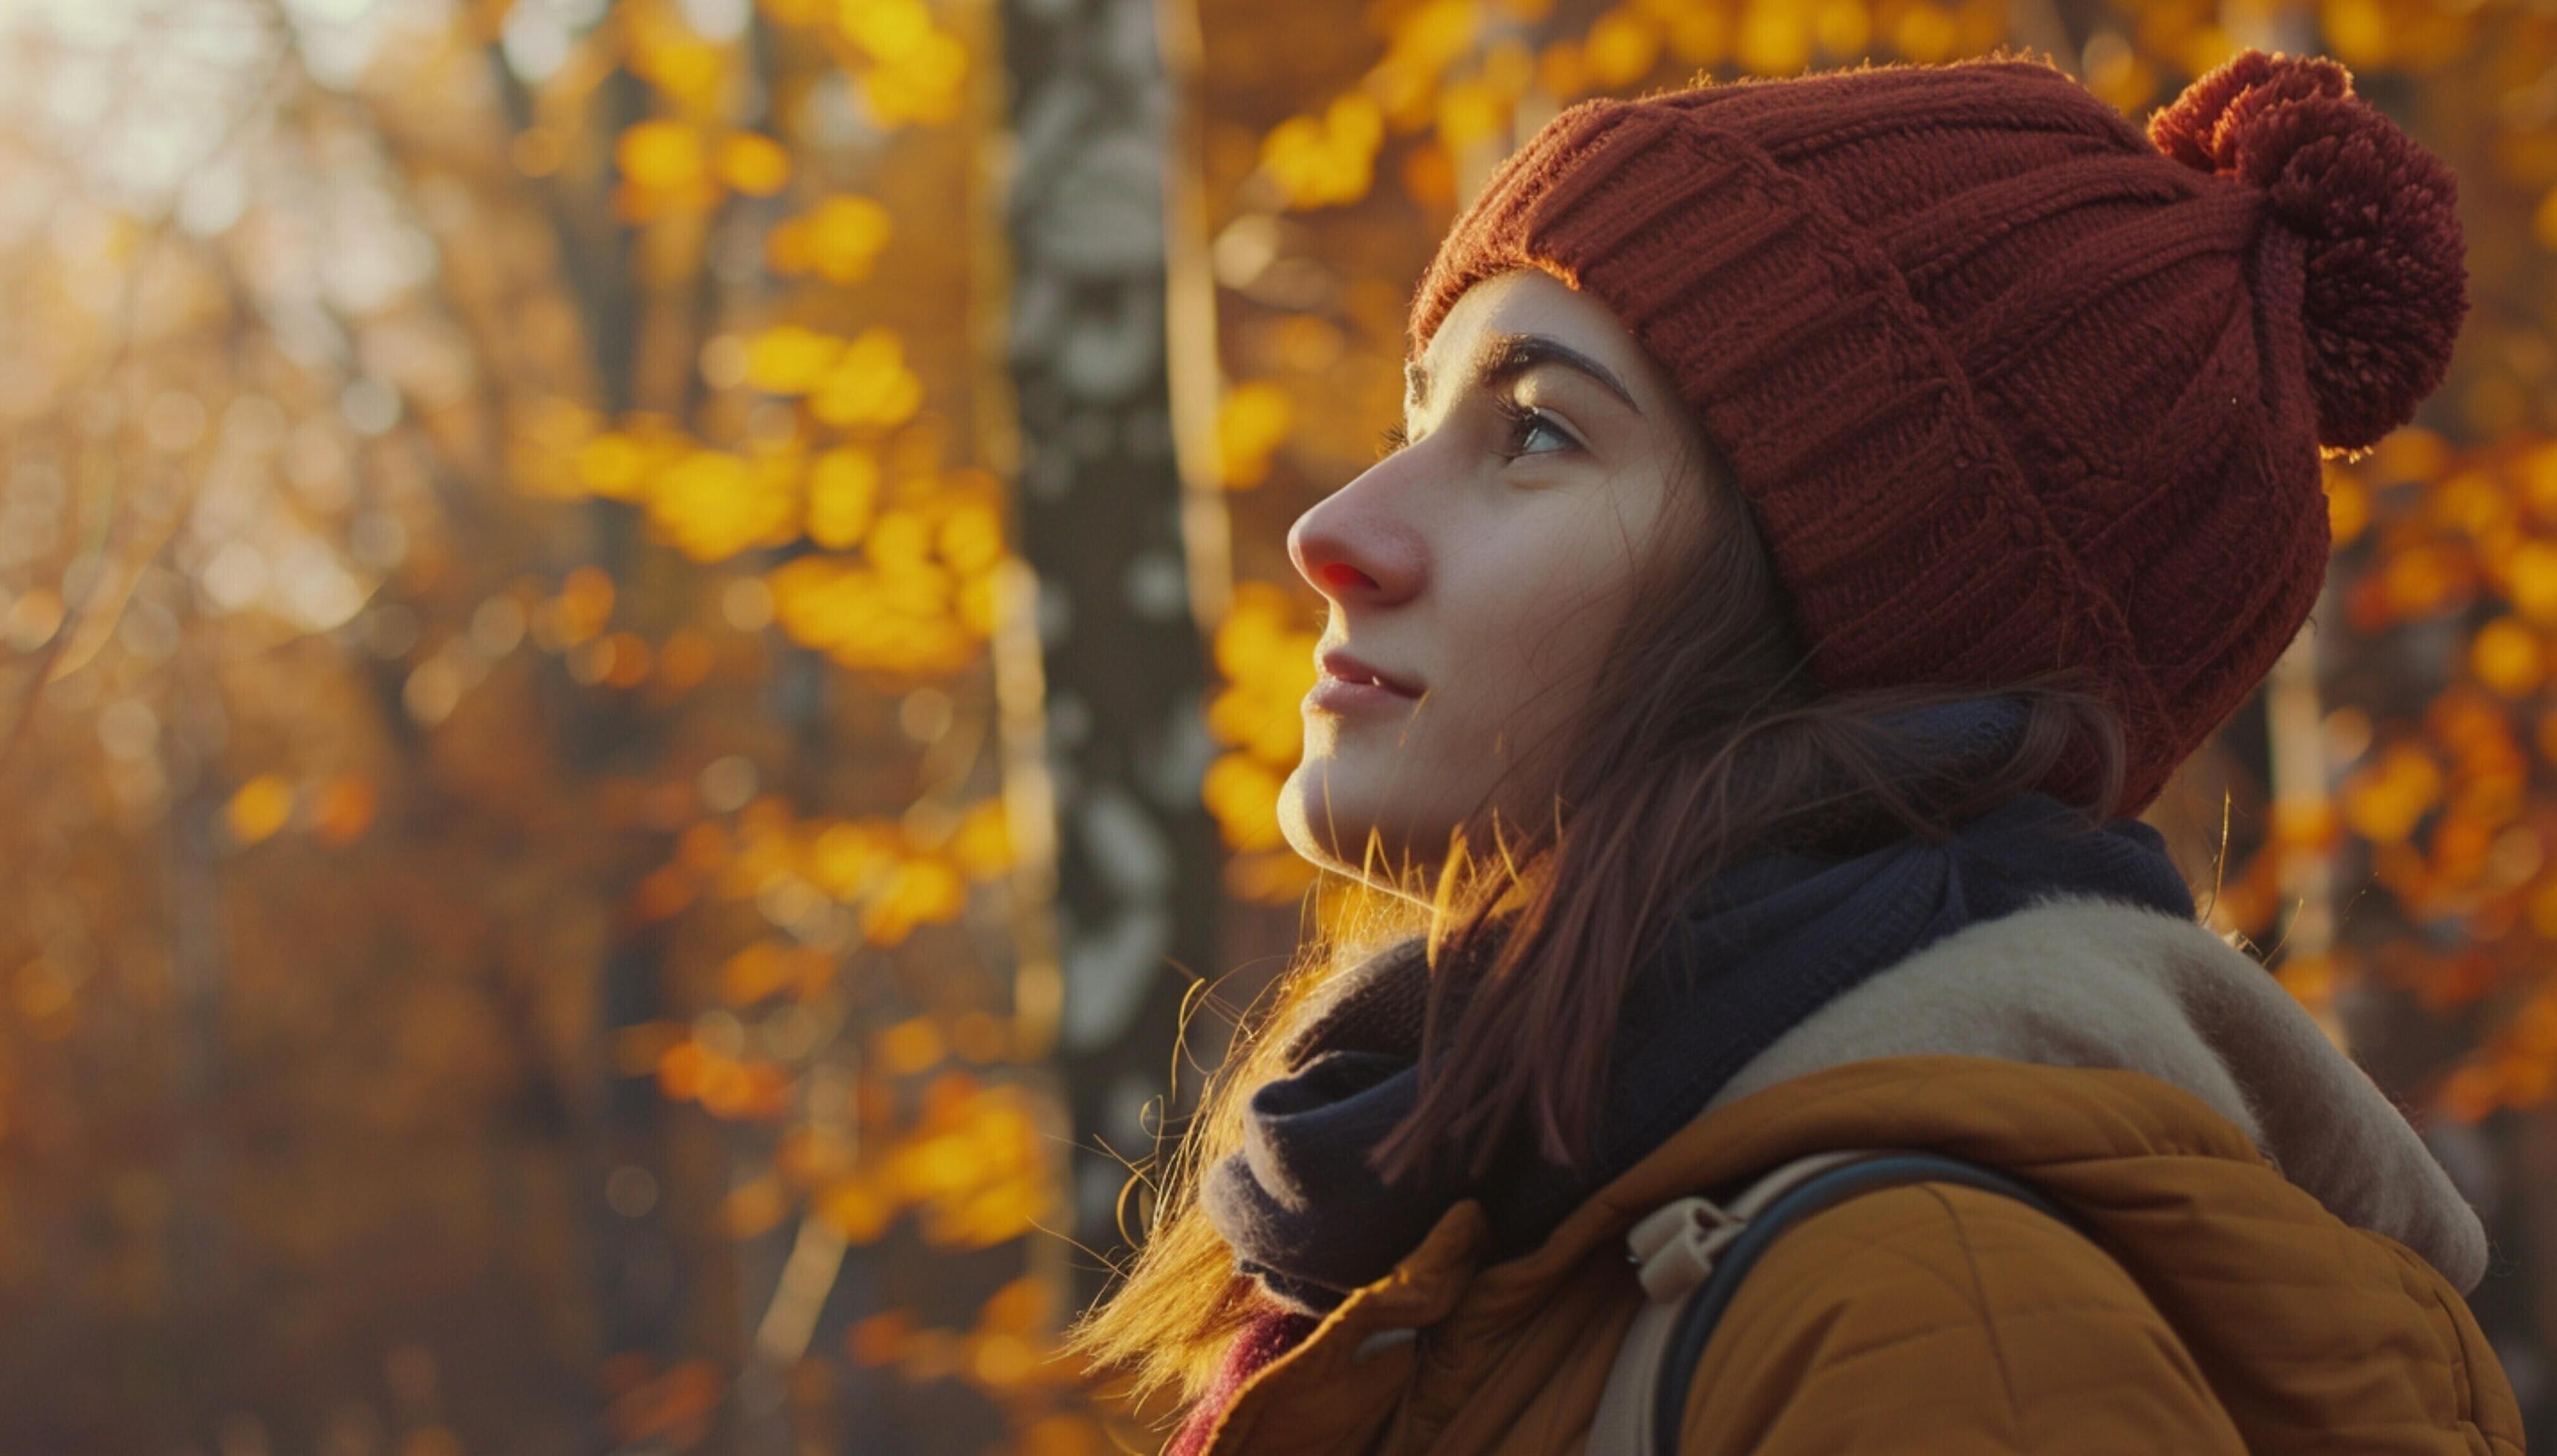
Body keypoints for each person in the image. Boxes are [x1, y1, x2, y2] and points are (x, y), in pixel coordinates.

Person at [1070, 46, 2521, 1454]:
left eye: (1535, 434)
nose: (1334, 533)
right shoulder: (1499, 1211)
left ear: (1852, 610)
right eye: (1417, 413)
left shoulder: (1937, 1311)